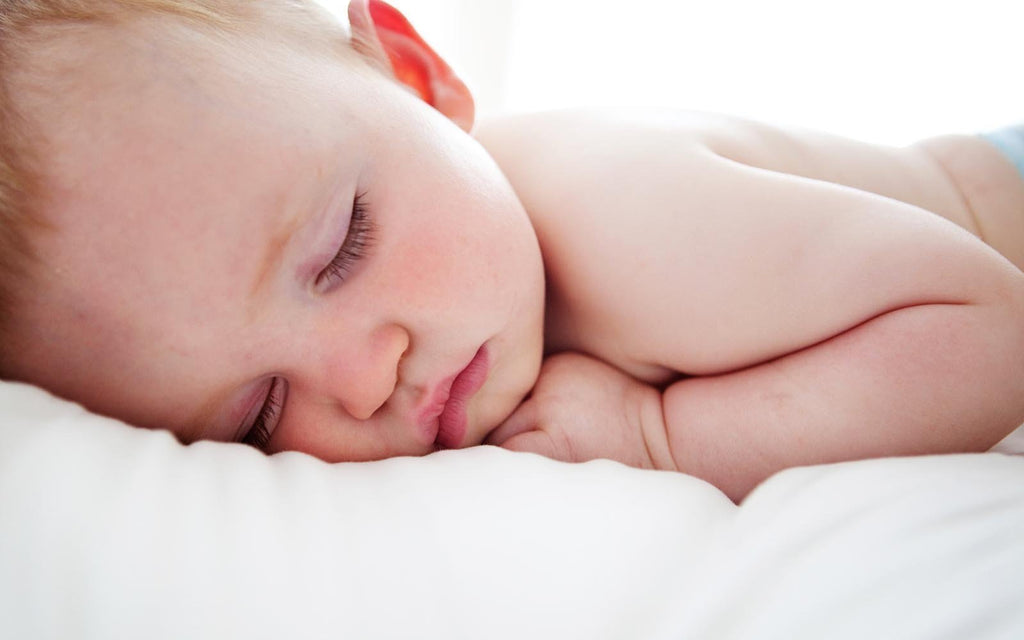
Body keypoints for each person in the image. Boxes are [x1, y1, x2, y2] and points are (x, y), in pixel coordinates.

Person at [1, 0, 1022, 502]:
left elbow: (986, 333)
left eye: (343, 248)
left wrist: (664, 439)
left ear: (416, 74)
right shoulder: (478, 315)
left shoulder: (624, 214)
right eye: (259, 416)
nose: (365, 377)